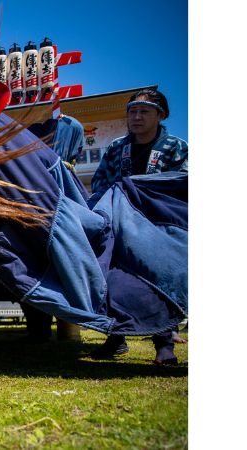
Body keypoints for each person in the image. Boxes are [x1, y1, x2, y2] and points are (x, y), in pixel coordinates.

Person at [87, 88, 188, 365]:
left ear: (160, 115)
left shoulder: (176, 147)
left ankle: (164, 343)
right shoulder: (117, 147)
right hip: (119, 223)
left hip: (159, 225)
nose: (137, 117)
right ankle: (115, 338)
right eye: (132, 111)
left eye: (144, 111)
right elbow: (100, 182)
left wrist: (142, 193)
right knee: (113, 277)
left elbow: (183, 184)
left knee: (158, 278)